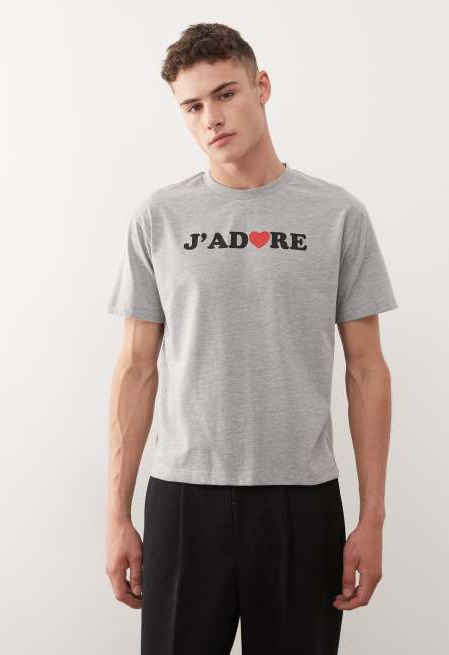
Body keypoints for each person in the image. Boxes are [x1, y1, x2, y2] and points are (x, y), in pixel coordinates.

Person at [105, 22, 398, 655]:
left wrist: (372, 517)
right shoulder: (159, 217)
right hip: (184, 499)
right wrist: (117, 515)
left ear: (261, 87)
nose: (211, 117)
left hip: (301, 501)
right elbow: (136, 368)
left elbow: (367, 370)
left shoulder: (337, 215)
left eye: (225, 93)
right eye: (192, 106)